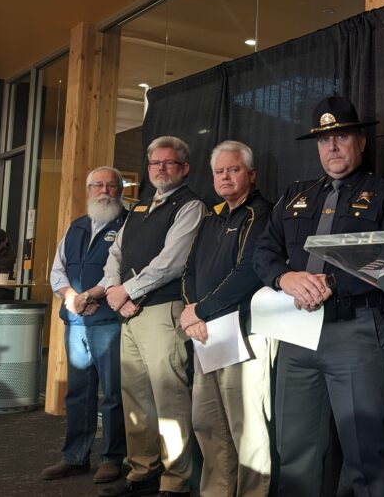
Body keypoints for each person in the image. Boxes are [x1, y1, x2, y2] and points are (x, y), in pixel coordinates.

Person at [254, 96, 384, 496]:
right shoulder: (295, 195)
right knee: (295, 448)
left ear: (360, 142)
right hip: (296, 333)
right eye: (324, 140)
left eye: (341, 136)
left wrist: (332, 284)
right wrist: (284, 278)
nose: (332, 147)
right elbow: (263, 253)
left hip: (355, 332)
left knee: (366, 453)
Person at [100, 136, 206, 497]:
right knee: (135, 397)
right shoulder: (142, 205)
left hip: (163, 310)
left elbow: (172, 262)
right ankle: (143, 470)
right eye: (154, 164)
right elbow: (116, 253)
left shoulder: (191, 205)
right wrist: (116, 295)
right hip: (129, 313)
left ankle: (176, 481)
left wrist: (127, 292)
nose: (160, 169)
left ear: (184, 168)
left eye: (168, 163)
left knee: (168, 397)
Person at [180, 141, 277, 497]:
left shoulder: (262, 214)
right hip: (207, 333)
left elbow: (249, 272)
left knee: (246, 428)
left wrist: (200, 310)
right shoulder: (212, 216)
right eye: (219, 171)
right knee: (209, 423)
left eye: (233, 169)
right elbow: (189, 269)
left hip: (244, 332)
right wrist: (192, 314)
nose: (224, 177)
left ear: (251, 174)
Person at [41, 167, 128, 484]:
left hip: (108, 319)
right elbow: (57, 271)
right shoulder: (76, 226)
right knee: (78, 392)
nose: (104, 190)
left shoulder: (128, 224)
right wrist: (71, 297)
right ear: (89, 190)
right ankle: (74, 457)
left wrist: (91, 296)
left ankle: (113, 458)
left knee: (112, 393)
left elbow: (121, 269)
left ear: (120, 189)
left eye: (111, 185)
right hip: (75, 319)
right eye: (97, 185)